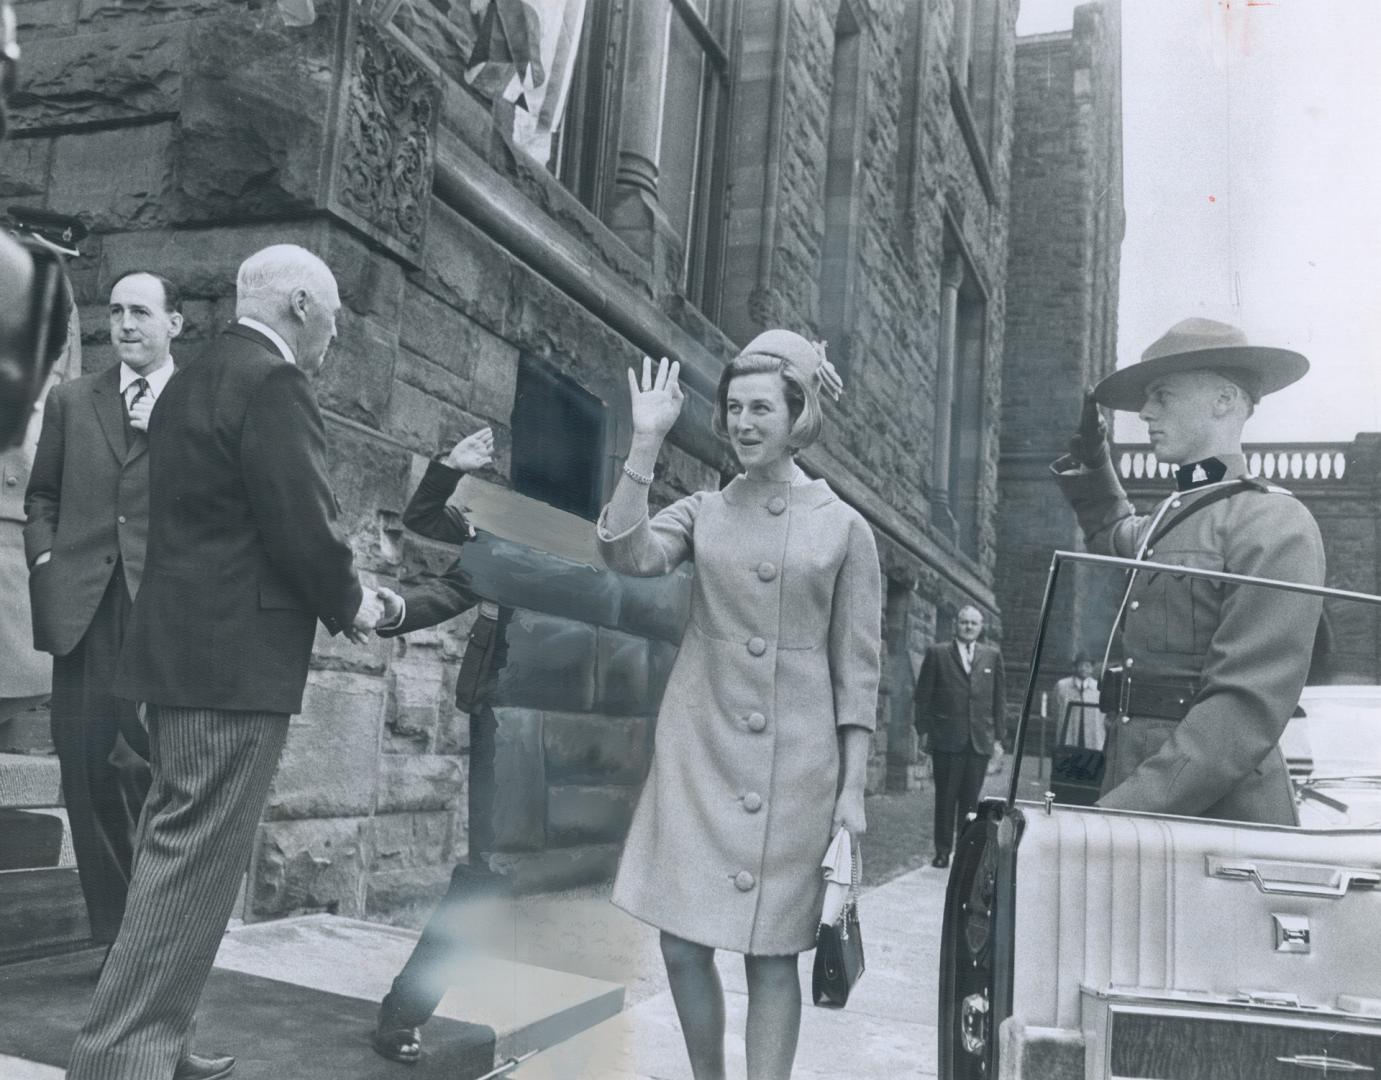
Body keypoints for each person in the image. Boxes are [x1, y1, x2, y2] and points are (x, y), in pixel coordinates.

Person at [68, 245, 386, 1080]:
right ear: (304, 308)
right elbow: (301, 524)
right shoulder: (274, 383)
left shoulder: (193, 378)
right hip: (228, 671)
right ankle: (118, 1062)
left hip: (176, 659)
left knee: (178, 861)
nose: (333, 336)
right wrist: (353, 602)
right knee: (189, 867)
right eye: (334, 319)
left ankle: (156, 1043)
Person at [596, 333, 880, 1080]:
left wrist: (851, 790)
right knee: (682, 941)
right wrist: (645, 444)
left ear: (798, 416)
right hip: (700, 749)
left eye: (762, 407)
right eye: (733, 408)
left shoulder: (845, 527)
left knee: (771, 954)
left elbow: (858, 674)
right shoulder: (702, 512)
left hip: (800, 767)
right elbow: (627, 555)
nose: (745, 422)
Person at [1053, 316, 1325, 824]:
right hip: (1137, 780)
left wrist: (1121, 810)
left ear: (1223, 400)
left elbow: (1242, 710)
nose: (1146, 413)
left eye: (1162, 396)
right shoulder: (1169, 515)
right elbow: (1114, 535)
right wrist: (1096, 463)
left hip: (1215, 811)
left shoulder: (1274, 522)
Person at [22, 271, 185, 944]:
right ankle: (113, 939)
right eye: (115, 311)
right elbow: (43, 498)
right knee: (86, 772)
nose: (125, 324)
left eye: (141, 312)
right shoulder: (72, 399)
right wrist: (44, 560)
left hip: (161, 615)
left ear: (174, 323)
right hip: (84, 612)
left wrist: (169, 433)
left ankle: (155, 940)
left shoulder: (201, 404)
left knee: (150, 776)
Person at [362, 426, 501, 1067]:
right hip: (510, 715)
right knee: (490, 872)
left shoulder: (622, 528)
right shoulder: (520, 527)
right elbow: (449, 579)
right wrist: (392, 609)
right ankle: (408, 1009)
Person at [912, 605, 1007, 869]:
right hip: (946, 739)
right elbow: (923, 696)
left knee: (970, 801)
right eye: (964, 622)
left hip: (978, 741)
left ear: (980, 627)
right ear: (956, 624)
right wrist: (924, 731)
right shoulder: (937, 653)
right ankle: (942, 851)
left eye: (973, 624)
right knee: (945, 798)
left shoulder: (991, 655)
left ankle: (965, 853)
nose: (968, 627)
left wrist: (998, 738)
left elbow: (999, 699)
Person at [1052, 655, 1103, 751]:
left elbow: (1103, 713)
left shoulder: (1099, 688)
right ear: (1075, 667)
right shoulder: (1062, 686)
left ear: (1092, 669)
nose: (1083, 669)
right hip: (1070, 732)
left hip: (1093, 733)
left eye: (1087, 666)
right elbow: (1055, 709)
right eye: (1080, 666)